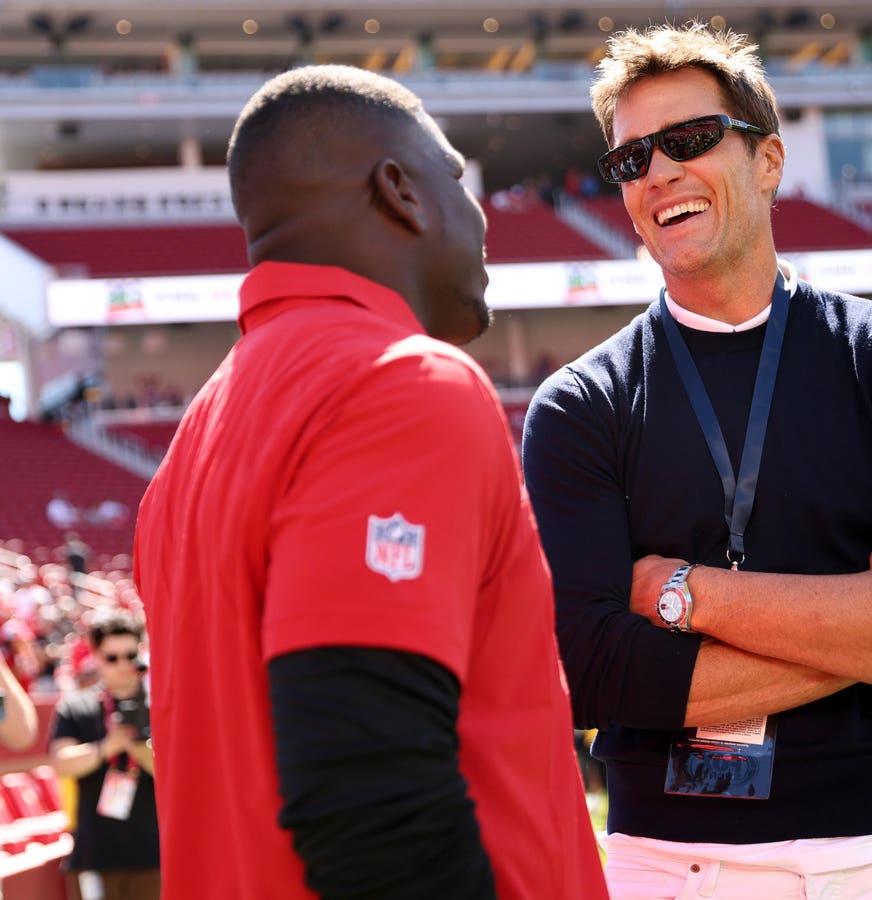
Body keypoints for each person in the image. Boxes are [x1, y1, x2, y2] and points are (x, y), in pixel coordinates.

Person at [521, 22, 872, 899]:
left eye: (687, 140)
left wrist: (687, 593)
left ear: (768, 161)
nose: (658, 172)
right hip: (673, 864)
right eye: (631, 159)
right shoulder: (580, 404)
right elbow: (592, 676)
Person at [132, 65, 606, 900]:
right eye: (458, 179)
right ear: (400, 192)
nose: (480, 213)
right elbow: (371, 798)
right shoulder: (400, 383)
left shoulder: (194, 442)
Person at [49, 609, 158, 900]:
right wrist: (107, 747)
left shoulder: (162, 703)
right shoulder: (76, 706)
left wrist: (138, 748)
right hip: (97, 853)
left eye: (130, 655)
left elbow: (178, 776)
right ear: (96, 657)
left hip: (156, 853)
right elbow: (62, 764)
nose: (123, 665)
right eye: (112, 657)